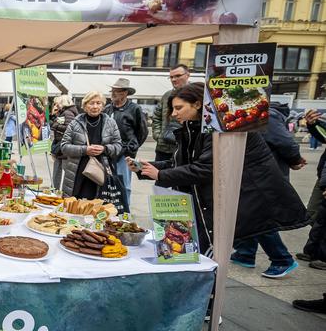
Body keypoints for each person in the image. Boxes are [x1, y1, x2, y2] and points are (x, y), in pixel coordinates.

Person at [131, 83, 308, 261]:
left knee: (208, 252)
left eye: (178, 108)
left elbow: (208, 168)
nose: (173, 114)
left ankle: (278, 260)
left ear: (198, 105)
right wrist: (147, 168)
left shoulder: (220, 129)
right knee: (193, 252)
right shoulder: (194, 127)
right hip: (214, 198)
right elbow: (180, 162)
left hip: (242, 196)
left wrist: (160, 175)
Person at [229, 100, 305, 277]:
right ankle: (246, 253)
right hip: (254, 172)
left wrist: (295, 161)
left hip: (266, 175)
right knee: (246, 213)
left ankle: (282, 259)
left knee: (261, 217)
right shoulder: (248, 114)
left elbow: (287, 143)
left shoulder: (267, 116)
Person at [60, 91, 122, 199]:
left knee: (98, 206)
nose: (95, 106)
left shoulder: (110, 123)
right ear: (85, 106)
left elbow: (118, 146)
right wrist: (85, 150)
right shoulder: (75, 123)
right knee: (76, 206)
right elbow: (64, 147)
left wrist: (105, 149)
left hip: (101, 172)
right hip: (78, 173)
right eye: (91, 103)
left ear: (103, 106)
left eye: (98, 103)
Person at [103, 77, 148, 202]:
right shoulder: (108, 108)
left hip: (125, 153)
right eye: (112, 90)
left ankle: (125, 213)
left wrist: (132, 147)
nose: (113, 93)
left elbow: (142, 131)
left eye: (117, 91)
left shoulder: (134, 108)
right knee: (108, 182)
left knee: (124, 184)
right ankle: (110, 209)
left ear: (125, 93)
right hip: (109, 151)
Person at [296, 110, 326, 270]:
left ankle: (323, 256)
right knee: (315, 214)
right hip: (323, 177)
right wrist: (313, 124)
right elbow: (324, 136)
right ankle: (313, 250)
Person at [152, 64, 188, 163]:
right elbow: (156, 117)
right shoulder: (166, 96)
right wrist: (158, 135)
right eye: (171, 77)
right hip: (163, 148)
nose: (174, 79)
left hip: (185, 148)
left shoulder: (195, 95)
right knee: (160, 176)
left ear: (187, 75)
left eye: (177, 76)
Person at [50, 94, 78, 191]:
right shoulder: (65, 112)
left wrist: (55, 125)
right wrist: (54, 116)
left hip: (64, 147)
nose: (56, 106)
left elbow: (69, 129)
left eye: (57, 104)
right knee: (58, 171)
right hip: (61, 147)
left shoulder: (68, 113)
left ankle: (63, 192)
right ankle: (55, 190)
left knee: (66, 172)